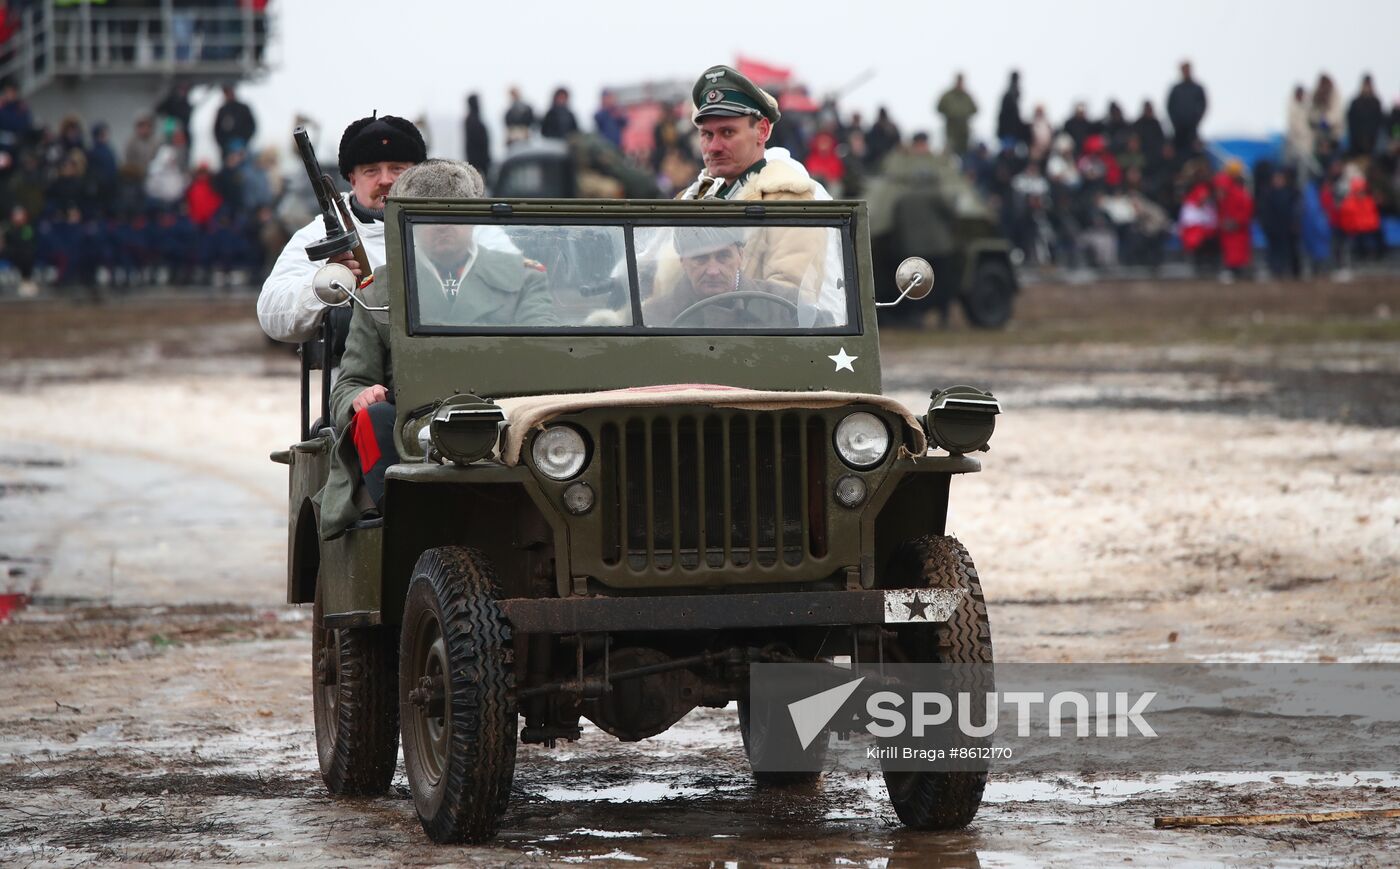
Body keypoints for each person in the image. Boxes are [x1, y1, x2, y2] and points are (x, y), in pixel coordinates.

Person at [318, 160, 554, 538]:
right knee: (369, 419)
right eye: (427, 218)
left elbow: (544, 355)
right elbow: (348, 386)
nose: (442, 226)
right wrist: (361, 397)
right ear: (406, 224)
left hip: (504, 421)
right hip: (409, 432)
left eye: (454, 215)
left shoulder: (523, 277)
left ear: (474, 219)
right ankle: (406, 528)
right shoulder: (381, 291)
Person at [257, 113, 425, 343]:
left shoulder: (442, 229)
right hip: (354, 376)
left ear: (416, 175)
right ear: (352, 179)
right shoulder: (320, 233)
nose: (385, 180)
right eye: (371, 170)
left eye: (397, 169)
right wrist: (328, 282)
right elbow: (271, 312)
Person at [673, 64, 828, 299]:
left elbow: (791, 301)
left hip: (748, 335)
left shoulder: (788, 201)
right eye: (707, 134)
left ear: (762, 131)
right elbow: (655, 291)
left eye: (727, 133)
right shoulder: (690, 198)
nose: (713, 147)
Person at [643, 226, 797, 327]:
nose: (713, 271)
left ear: (740, 257)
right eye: (700, 258)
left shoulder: (784, 305)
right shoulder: (654, 317)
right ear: (683, 262)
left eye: (723, 256)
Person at [1166, 61, 1207, 153]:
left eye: (1187, 70)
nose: (1186, 72)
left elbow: (1203, 105)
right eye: (1184, 70)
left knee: (1195, 151)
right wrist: (1176, 122)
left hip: (1192, 129)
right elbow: (1170, 107)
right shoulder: (1176, 89)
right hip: (1178, 130)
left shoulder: (1197, 89)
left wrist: (1196, 119)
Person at [935, 73, 977, 156]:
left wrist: (964, 114)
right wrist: (950, 113)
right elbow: (939, 108)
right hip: (951, 129)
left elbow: (975, 109)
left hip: (964, 130)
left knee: (965, 152)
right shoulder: (948, 96)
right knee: (950, 151)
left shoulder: (967, 96)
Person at [213, 84, 256, 160]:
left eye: (230, 92)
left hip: (242, 146)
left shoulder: (243, 108)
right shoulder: (222, 110)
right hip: (227, 149)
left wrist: (244, 140)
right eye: (226, 92)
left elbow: (251, 126)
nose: (228, 95)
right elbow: (217, 130)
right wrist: (223, 144)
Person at [1346, 74, 1383, 158]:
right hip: (1356, 144)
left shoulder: (1376, 103)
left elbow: (1379, 123)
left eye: (1368, 84)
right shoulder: (1355, 102)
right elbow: (1351, 123)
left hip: (1372, 143)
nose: (1366, 87)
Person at [463, 93, 491, 177]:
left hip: (477, 159)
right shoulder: (472, 119)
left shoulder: (472, 118)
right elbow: (478, 140)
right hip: (478, 160)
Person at [996, 71, 1026, 147]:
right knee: (1008, 152)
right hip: (1009, 131)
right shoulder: (1011, 94)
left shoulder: (1010, 93)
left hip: (1010, 130)